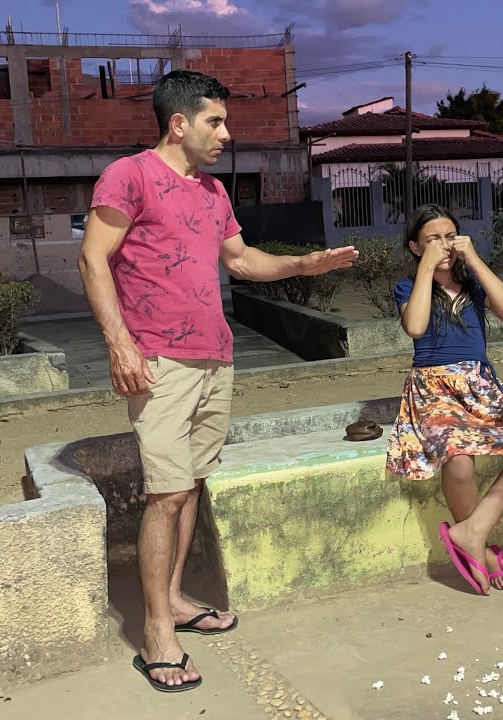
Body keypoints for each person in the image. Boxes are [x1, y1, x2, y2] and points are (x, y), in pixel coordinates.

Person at [79, 69, 357, 692]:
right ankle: (156, 632)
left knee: (192, 485)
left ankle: (174, 598)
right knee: (166, 492)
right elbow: (93, 256)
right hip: (158, 362)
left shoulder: (210, 193)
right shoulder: (129, 176)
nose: (226, 133)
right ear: (178, 123)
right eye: (216, 121)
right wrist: (119, 343)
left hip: (215, 357)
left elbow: (240, 260)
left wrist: (303, 263)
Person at [387, 203, 503, 596]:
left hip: (480, 386)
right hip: (433, 389)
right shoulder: (408, 286)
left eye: (450, 236)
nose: (444, 245)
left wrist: (474, 259)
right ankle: (480, 550)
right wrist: (425, 269)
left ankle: (472, 530)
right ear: (415, 247)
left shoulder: (473, 285)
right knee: (459, 458)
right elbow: (415, 326)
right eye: (433, 238)